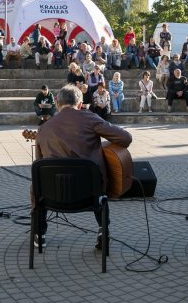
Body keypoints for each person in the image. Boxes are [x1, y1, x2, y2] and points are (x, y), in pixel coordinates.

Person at [34, 84, 133, 249]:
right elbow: (126, 138)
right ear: (80, 104)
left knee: (36, 185)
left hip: (53, 196)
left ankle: (39, 232)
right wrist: (105, 145)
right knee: (96, 176)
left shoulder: (43, 129)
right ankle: (103, 230)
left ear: (57, 105)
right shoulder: (89, 118)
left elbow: (38, 165)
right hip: (90, 194)